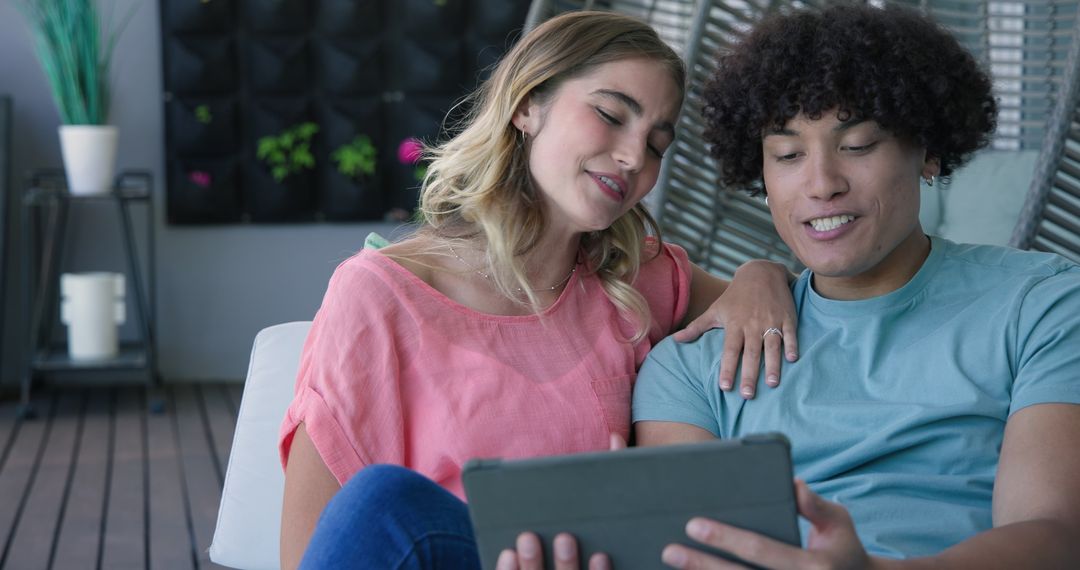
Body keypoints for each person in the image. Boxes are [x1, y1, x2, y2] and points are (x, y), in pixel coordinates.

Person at [499, 4, 1080, 569]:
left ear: (926, 151)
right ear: (762, 176)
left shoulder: (1043, 307)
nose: (822, 183)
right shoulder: (693, 366)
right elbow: (689, 551)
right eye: (787, 153)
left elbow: (1055, 535)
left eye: (857, 146)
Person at [278, 11, 800, 569]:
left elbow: (786, 298)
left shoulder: (636, 279)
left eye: (656, 145)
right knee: (382, 503)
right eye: (610, 114)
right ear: (528, 105)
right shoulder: (379, 296)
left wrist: (761, 274)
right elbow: (315, 550)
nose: (633, 157)